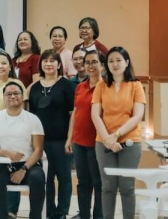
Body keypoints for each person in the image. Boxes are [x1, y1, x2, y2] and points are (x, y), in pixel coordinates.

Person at [91, 47, 145, 219]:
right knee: (107, 186)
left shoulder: (136, 85)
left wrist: (116, 135)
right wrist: (107, 138)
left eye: (119, 60)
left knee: (127, 187)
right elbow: (95, 114)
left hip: (130, 141)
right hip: (104, 142)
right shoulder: (101, 85)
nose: (115, 64)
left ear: (127, 62)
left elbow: (137, 116)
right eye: (111, 60)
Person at [0, 82, 46, 219]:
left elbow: (38, 150)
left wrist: (23, 169)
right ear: (4, 97)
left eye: (16, 93)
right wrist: (7, 153)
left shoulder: (33, 119)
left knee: (38, 178)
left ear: (22, 96)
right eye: (9, 94)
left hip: (28, 164)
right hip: (3, 163)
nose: (12, 96)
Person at [28, 49, 75, 219]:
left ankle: (61, 213)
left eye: (52, 60)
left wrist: (70, 139)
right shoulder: (34, 88)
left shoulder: (67, 85)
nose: (49, 64)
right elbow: (31, 117)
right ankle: (48, 212)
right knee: (46, 179)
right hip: (41, 142)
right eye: (45, 61)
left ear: (59, 64)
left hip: (62, 140)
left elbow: (73, 115)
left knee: (64, 178)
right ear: (41, 64)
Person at [65, 50, 105, 219]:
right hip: (79, 141)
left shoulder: (106, 87)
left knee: (98, 183)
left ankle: (99, 216)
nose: (90, 65)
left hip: (98, 142)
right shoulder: (80, 86)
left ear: (102, 65)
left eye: (94, 62)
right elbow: (75, 112)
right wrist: (69, 138)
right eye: (87, 62)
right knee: (83, 183)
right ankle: (84, 215)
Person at [0, 51, 27, 119]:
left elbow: (22, 109)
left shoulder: (17, 84)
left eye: (4, 63)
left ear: (10, 67)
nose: (0, 66)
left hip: (12, 124)